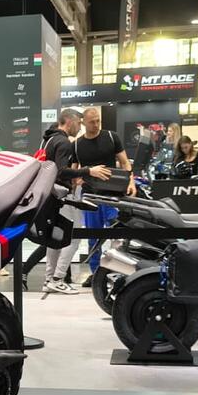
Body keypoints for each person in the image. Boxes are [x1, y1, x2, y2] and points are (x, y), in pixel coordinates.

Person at [39, 109, 112, 294]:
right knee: (73, 237)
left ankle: (50, 279)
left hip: (50, 194)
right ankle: (58, 278)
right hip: (61, 195)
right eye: (79, 123)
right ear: (69, 121)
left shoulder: (49, 139)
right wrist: (88, 171)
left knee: (54, 238)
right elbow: (61, 171)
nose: (80, 127)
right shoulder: (63, 142)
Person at [74, 107, 136, 281]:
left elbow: (125, 162)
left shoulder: (111, 137)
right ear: (83, 122)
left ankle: (119, 270)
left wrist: (131, 181)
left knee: (117, 233)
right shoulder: (77, 145)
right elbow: (73, 171)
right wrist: (79, 179)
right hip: (90, 196)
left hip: (112, 195)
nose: (96, 124)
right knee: (93, 237)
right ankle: (96, 275)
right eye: (92, 122)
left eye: (98, 121)